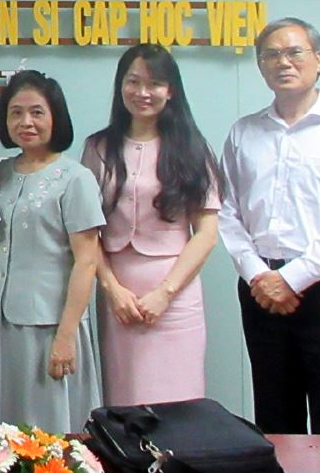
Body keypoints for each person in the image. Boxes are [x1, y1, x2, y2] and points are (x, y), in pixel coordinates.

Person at [219, 17, 320, 435]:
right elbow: (226, 210)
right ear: (260, 65)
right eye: (271, 54)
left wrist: (292, 279)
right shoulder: (244, 133)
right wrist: (258, 275)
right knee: (275, 421)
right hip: (261, 290)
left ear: (319, 59)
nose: (283, 62)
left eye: (294, 52)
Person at [82, 44, 222, 406]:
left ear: (170, 90)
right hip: (118, 296)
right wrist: (111, 289)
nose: (142, 92)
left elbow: (206, 233)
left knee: (178, 400)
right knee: (124, 398)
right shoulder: (97, 148)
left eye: (154, 83)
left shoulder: (193, 148)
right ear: (120, 85)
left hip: (175, 291)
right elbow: (86, 232)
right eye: (133, 81)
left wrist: (165, 293)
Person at [0, 69, 104, 433]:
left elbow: (87, 261)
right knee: (6, 432)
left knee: (52, 431)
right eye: (16, 113)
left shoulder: (75, 178)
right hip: (4, 324)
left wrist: (66, 336)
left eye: (37, 112)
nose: (26, 122)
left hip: (52, 325)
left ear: (56, 117)